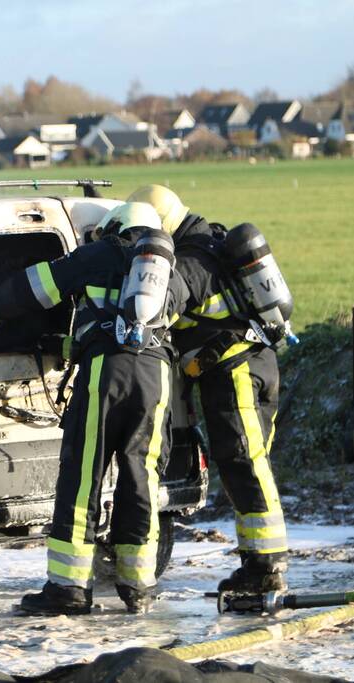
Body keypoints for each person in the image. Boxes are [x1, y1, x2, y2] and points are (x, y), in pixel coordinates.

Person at [0, 202, 187, 615]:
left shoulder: (99, 254)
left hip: (105, 375)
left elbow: (33, 288)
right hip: (156, 377)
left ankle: (69, 589)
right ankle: (138, 586)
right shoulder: (168, 276)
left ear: (115, 228)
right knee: (140, 475)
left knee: (83, 473)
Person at [128, 184, 291, 595]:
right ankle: (258, 563)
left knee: (245, 463)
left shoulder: (189, 261)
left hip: (234, 371)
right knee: (244, 464)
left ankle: (266, 567)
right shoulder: (211, 238)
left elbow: (163, 301)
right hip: (252, 364)